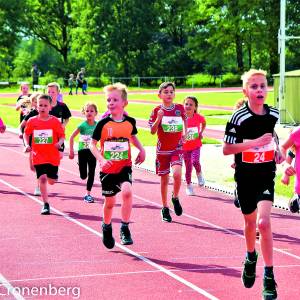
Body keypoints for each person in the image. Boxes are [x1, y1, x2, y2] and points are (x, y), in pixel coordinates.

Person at [223, 69, 283, 300]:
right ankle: (250, 257)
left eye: (263, 86)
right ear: (245, 91)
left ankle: (269, 276)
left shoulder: (274, 114)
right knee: (250, 224)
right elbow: (227, 149)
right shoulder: (238, 117)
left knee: (264, 222)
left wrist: (276, 151)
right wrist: (254, 143)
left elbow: (272, 135)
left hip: (266, 174)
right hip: (245, 178)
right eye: (254, 86)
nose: (259, 90)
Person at [90, 82, 145, 249]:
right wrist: (101, 159)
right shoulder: (102, 124)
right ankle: (106, 227)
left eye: (115, 99)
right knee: (110, 203)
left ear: (124, 103)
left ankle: (125, 227)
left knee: (127, 192)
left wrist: (142, 150)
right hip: (107, 169)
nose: (111, 103)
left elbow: (133, 137)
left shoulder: (130, 122)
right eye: (108, 100)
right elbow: (92, 144)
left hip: (124, 166)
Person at [148, 82, 187, 222]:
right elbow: (152, 131)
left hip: (177, 147)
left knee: (177, 174)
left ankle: (175, 197)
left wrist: (185, 132)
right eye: (166, 92)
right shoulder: (156, 110)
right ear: (159, 95)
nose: (169, 94)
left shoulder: (179, 108)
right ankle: (165, 207)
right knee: (164, 179)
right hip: (162, 150)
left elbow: (185, 119)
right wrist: (159, 118)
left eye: (171, 92)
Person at [24, 94, 65, 215]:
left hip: (52, 156)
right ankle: (46, 204)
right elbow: (27, 134)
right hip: (38, 156)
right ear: (36, 106)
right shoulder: (32, 121)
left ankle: (53, 175)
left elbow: (62, 136)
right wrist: (27, 145)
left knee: (51, 181)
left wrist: (59, 143)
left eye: (45, 105)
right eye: (40, 105)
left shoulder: (54, 122)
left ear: (50, 107)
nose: (42, 107)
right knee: (42, 179)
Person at [69, 102, 98, 203]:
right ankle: (80, 165)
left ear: (96, 113)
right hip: (82, 152)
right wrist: (71, 151)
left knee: (92, 172)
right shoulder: (82, 125)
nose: (89, 113)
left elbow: (102, 138)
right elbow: (71, 137)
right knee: (83, 176)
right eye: (87, 111)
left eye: (91, 111)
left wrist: (102, 150)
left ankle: (88, 194)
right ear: (84, 113)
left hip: (93, 152)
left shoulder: (98, 125)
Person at [18, 92, 42, 196]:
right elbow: (21, 126)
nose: (38, 105)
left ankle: (38, 187)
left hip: (42, 143)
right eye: (36, 102)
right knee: (32, 167)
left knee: (39, 165)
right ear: (33, 103)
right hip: (32, 141)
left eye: (40, 102)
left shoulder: (48, 113)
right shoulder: (31, 113)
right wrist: (20, 132)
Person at [182, 96, 206, 196]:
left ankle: (199, 173)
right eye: (186, 104)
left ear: (195, 107)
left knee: (195, 161)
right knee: (188, 168)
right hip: (184, 148)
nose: (188, 106)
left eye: (191, 104)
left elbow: (204, 122)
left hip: (196, 145)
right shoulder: (181, 118)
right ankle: (188, 185)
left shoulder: (198, 117)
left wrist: (201, 132)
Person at [47, 82, 72, 158]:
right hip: (47, 135)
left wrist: (63, 125)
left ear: (58, 92)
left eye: (53, 92)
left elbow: (67, 118)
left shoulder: (62, 106)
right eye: (49, 92)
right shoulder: (44, 105)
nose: (50, 94)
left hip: (59, 136)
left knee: (59, 156)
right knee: (48, 156)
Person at [280, 127, 300, 213]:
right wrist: (285, 166)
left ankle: (295, 200)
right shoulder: (298, 132)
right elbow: (284, 148)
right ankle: (296, 199)